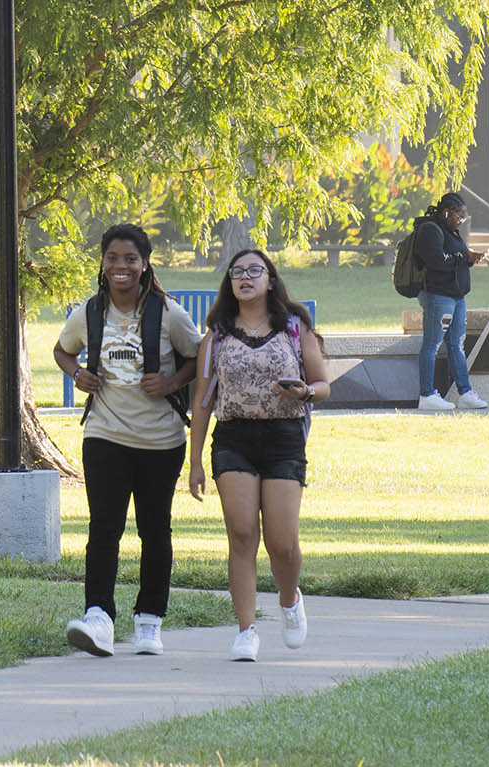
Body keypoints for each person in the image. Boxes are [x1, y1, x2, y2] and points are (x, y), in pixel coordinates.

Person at [53, 223, 202, 657]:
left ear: (144, 264)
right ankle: (98, 617)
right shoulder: (89, 312)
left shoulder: (169, 313)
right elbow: (62, 350)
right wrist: (77, 373)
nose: (121, 267)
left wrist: (172, 381)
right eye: (113, 258)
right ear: (102, 262)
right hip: (105, 435)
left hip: (161, 441)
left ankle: (149, 621)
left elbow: (197, 357)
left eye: (130, 259)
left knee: (155, 531)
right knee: (104, 529)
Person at [186, 248, 328, 662]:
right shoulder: (216, 337)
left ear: (270, 279)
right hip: (234, 439)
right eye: (236, 273)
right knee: (242, 534)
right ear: (229, 283)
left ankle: (288, 598)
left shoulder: (293, 328)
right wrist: (194, 462)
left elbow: (322, 385)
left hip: (283, 438)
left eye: (254, 271)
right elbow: (202, 401)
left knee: (282, 543)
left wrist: (304, 391)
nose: (245, 278)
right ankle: (246, 629)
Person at [413, 192, 489, 411]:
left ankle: (465, 393)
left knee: (457, 344)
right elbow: (437, 260)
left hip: (456, 297)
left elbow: (454, 257)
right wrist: (464, 257)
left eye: (464, 217)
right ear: (446, 212)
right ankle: (427, 395)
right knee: (432, 344)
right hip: (439, 296)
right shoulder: (430, 230)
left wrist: (469, 256)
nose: (462, 220)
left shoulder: (450, 230)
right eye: (459, 216)